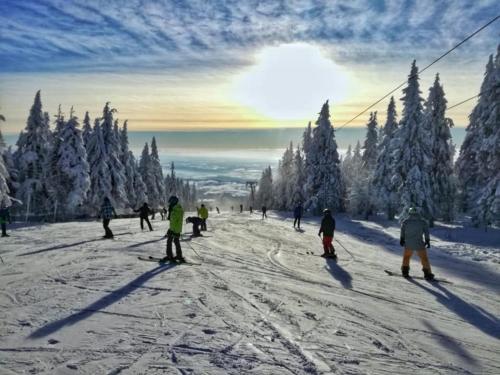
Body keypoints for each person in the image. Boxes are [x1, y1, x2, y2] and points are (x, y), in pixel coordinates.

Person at [400, 207, 434, 280]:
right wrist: (427, 241)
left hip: (408, 243)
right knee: (424, 258)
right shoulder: (422, 222)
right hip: (419, 243)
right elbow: (426, 232)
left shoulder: (405, 221)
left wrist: (402, 239)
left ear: (409, 213)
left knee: (406, 257)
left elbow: (402, 231)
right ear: (418, 213)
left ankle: (405, 272)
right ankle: (427, 274)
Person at [164, 195, 184, 262]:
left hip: (174, 229)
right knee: (176, 241)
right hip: (176, 228)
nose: (170, 204)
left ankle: (169, 256)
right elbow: (173, 220)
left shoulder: (176, 210)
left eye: (170, 202)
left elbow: (175, 221)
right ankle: (179, 255)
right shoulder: (176, 208)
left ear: (173, 202)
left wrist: (171, 230)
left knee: (169, 241)